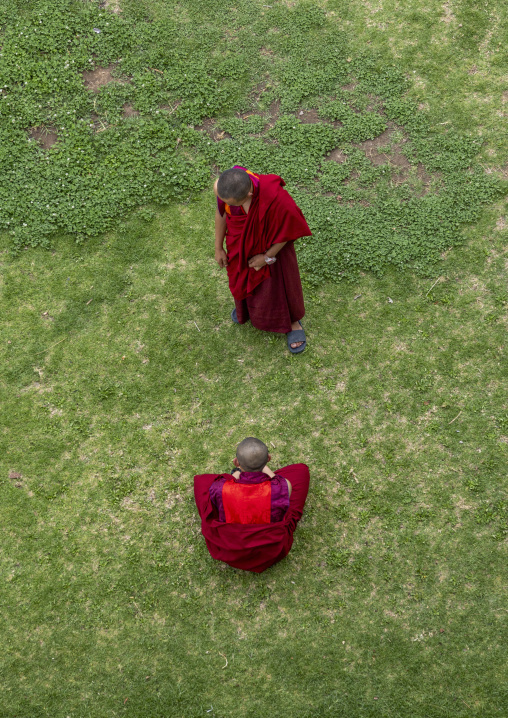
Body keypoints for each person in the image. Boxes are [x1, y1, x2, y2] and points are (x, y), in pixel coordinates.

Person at [214, 166, 311, 353]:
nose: (228, 205)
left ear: (250, 193)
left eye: (234, 204)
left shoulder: (277, 199)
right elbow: (222, 213)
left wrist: (266, 258)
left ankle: (292, 323)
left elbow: (287, 231)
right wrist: (218, 247)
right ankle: (246, 310)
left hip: (274, 251)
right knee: (240, 274)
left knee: (278, 284)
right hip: (239, 245)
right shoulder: (225, 187)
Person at [194, 437, 310, 573]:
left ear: (236, 462)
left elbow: (205, 486)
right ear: (269, 458)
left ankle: (238, 473)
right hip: (271, 551)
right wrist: (263, 467)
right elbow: (277, 479)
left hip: (230, 549)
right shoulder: (283, 487)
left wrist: (236, 474)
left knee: (201, 482)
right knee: (301, 471)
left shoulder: (220, 488)